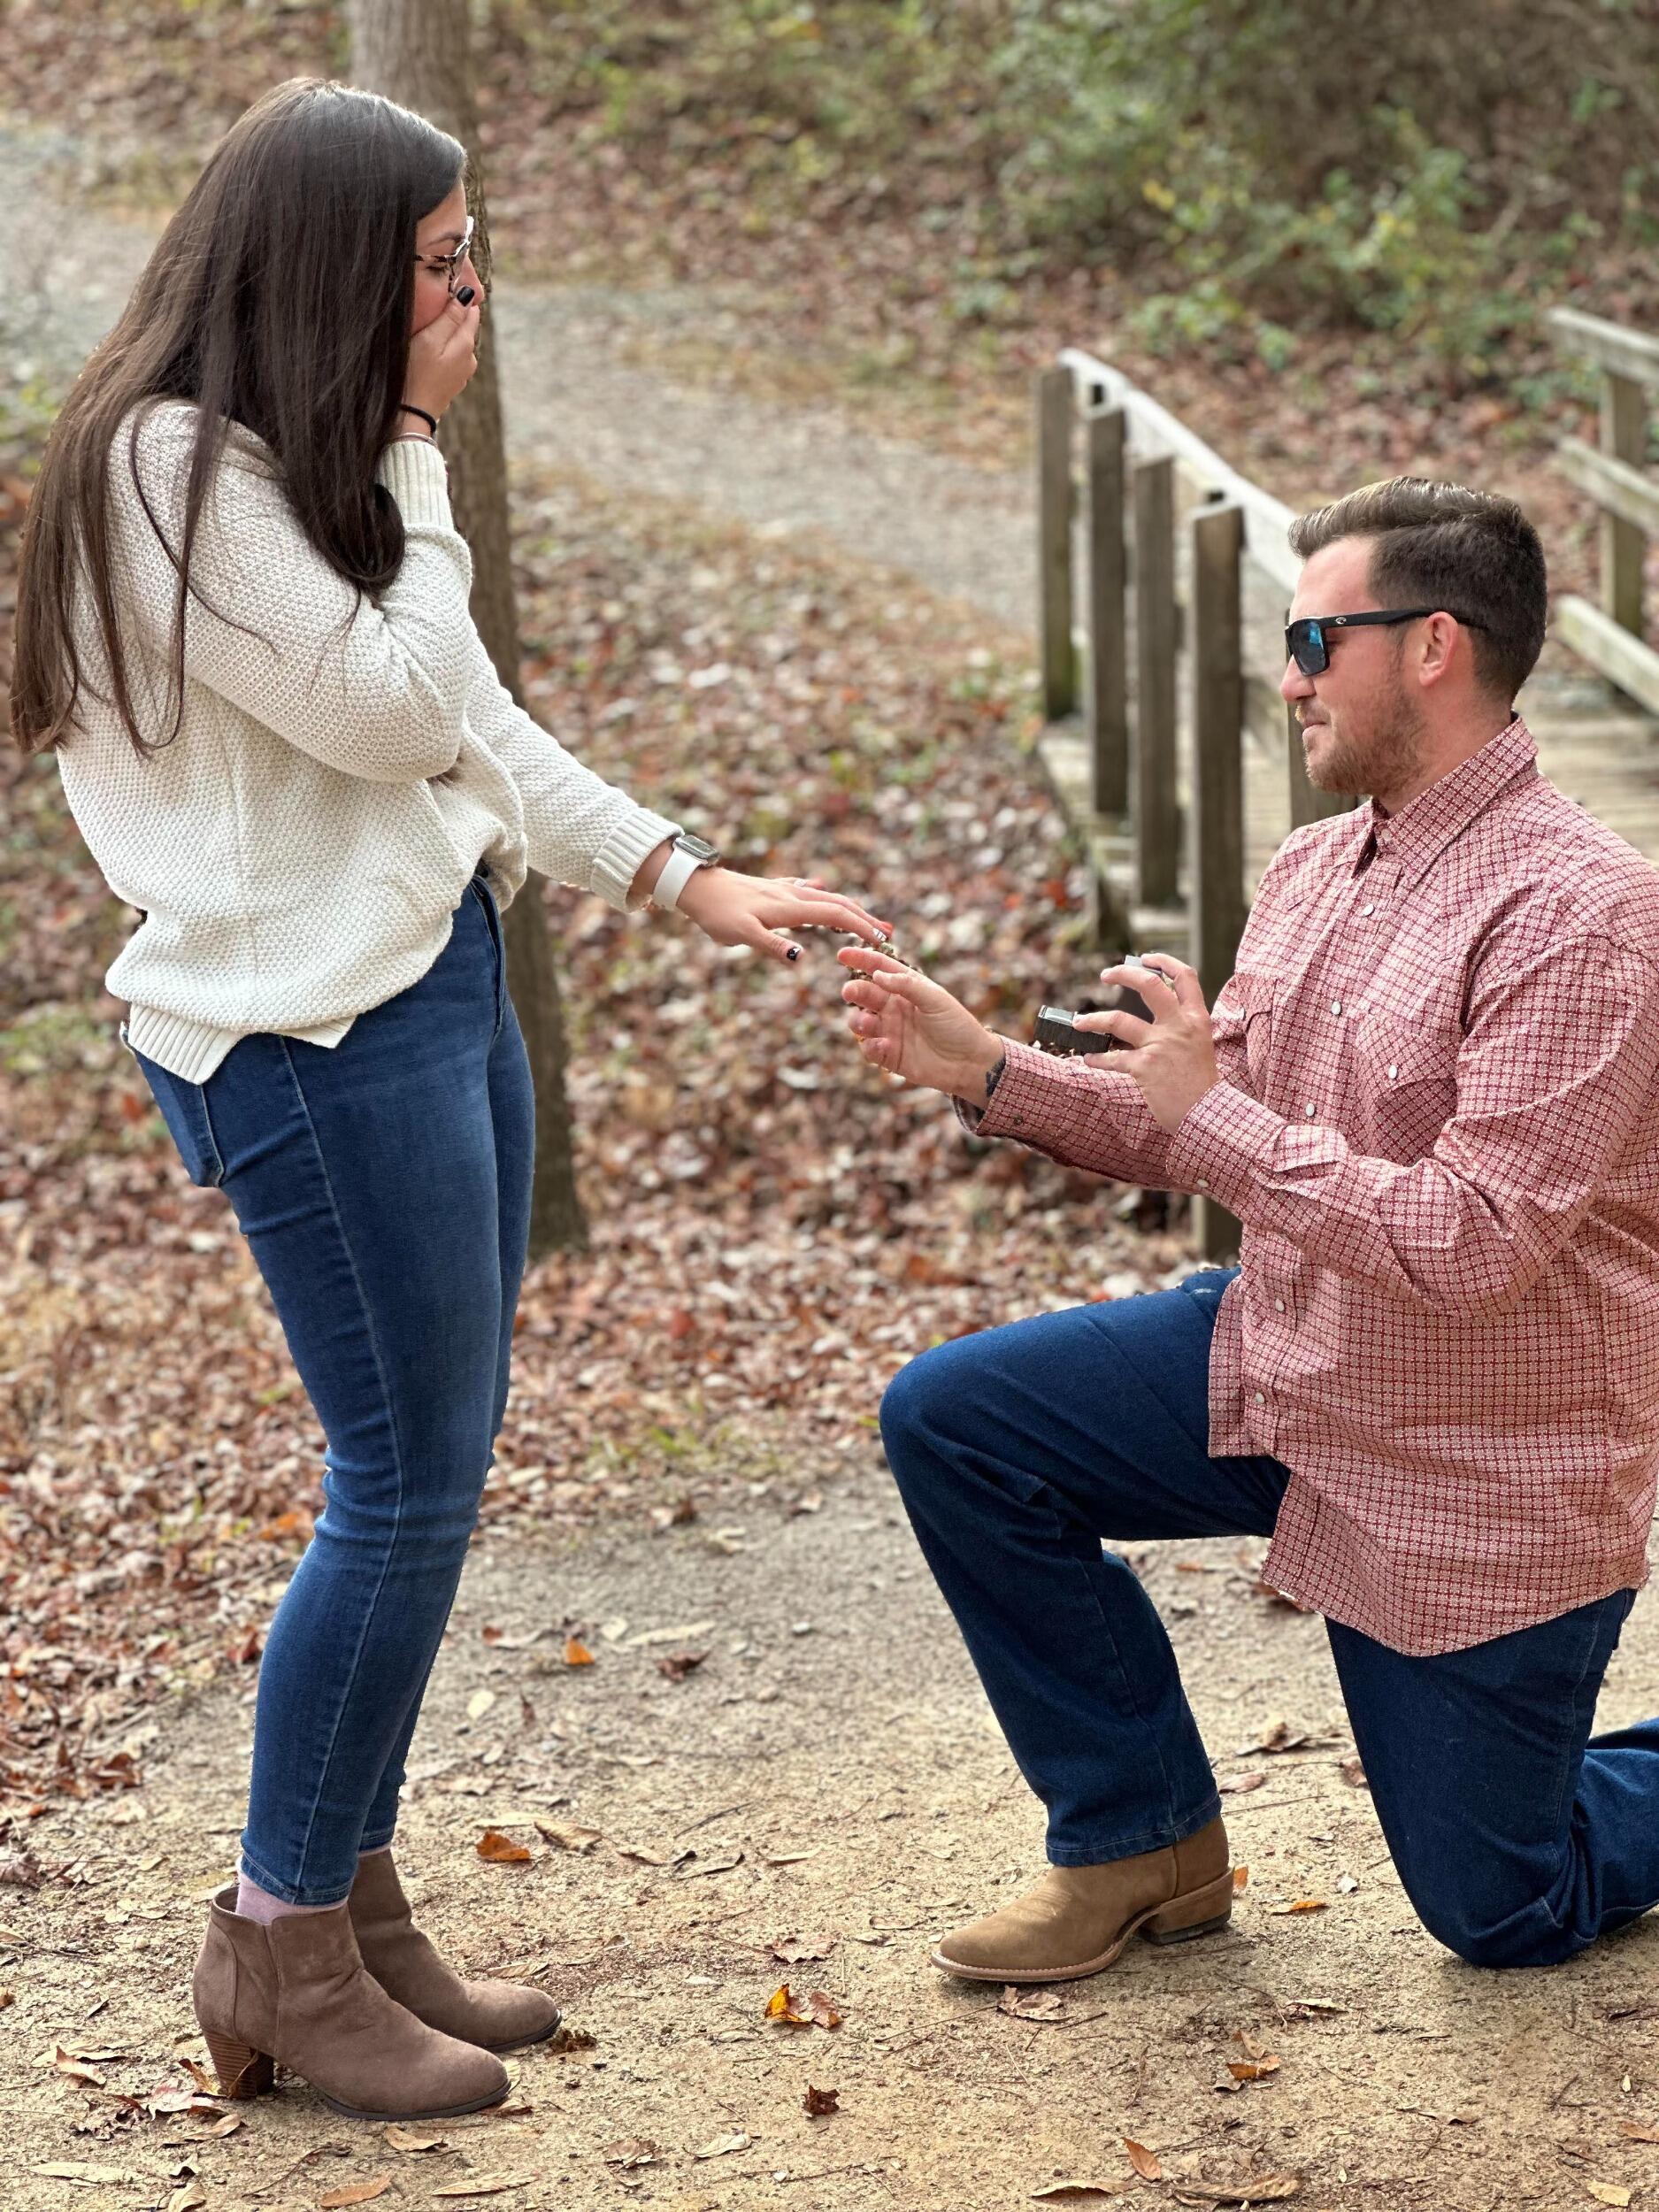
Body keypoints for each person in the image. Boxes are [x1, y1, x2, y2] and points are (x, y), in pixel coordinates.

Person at [11, 79, 890, 2123]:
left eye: (470, 247)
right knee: (395, 1482)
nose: (467, 282)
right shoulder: (169, 472)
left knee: (432, 1473)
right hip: (308, 1034)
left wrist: (686, 871)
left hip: (431, 979)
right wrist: (418, 440)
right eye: (437, 256)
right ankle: (275, 1940)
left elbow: (467, 718)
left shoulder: (288, 464)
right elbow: (396, 702)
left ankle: (353, 1902)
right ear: (331, 267)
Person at [840, 476, 1659, 1984]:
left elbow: (1477, 1242)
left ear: (1430, 648)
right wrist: (988, 1072)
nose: (1285, 676)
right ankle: (1138, 1840)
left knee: (1505, 1908)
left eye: (1310, 636)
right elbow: (1201, 1115)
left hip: (1482, 1460)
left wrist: (1211, 1111)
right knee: (960, 1426)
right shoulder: (1311, 867)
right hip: (1288, 1362)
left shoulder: (1587, 915)